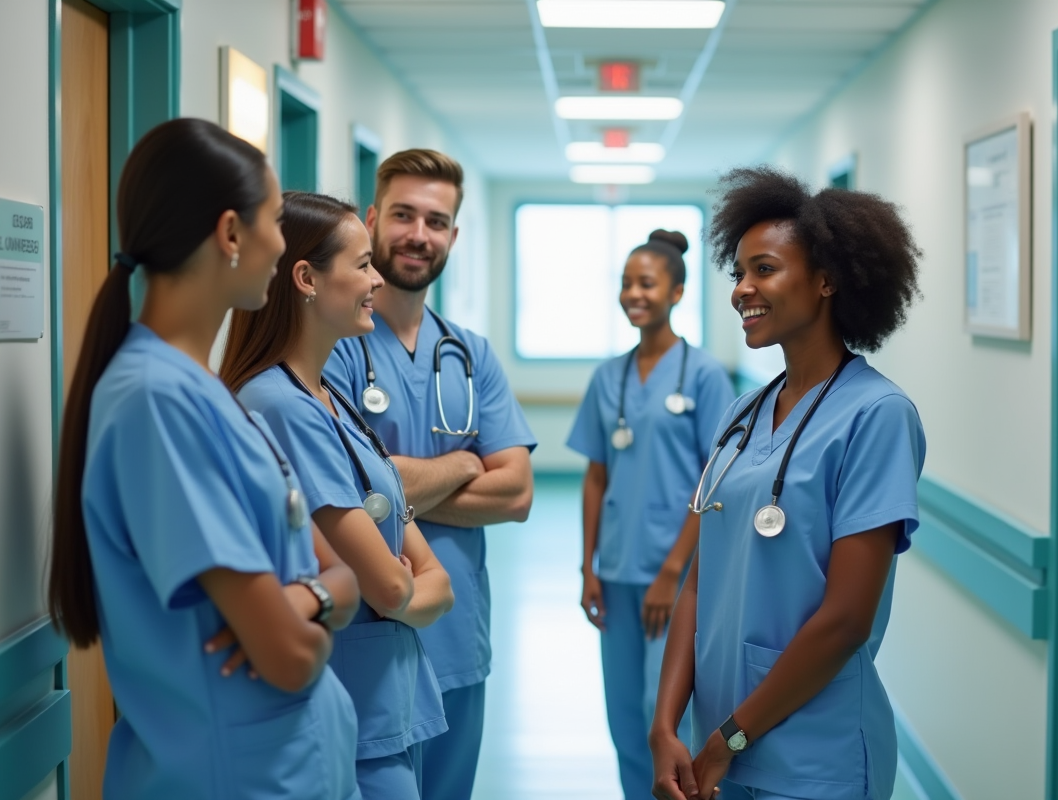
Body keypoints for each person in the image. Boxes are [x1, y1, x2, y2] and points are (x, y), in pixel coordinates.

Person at [47, 119, 362, 800]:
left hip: (285, 767)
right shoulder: (156, 403)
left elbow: (343, 578)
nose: (282, 243)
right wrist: (317, 608)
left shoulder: (209, 394)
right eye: (275, 220)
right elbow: (289, 654)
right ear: (229, 234)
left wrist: (307, 597)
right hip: (232, 777)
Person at [649, 167, 925, 800]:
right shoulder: (741, 414)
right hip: (715, 751)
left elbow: (846, 621)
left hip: (810, 757)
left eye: (764, 270)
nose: (741, 289)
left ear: (827, 280)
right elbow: (701, 578)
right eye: (738, 273)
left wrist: (730, 740)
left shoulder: (877, 416)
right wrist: (666, 726)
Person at [222, 192, 455, 799]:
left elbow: (435, 585)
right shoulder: (280, 406)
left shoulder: (329, 398)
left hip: (384, 709)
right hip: (346, 716)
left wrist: (407, 586)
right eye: (361, 265)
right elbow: (390, 584)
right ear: (305, 278)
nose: (376, 279)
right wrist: (405, 585)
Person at [324, 148, 536, 800]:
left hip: (456, 640)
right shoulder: (329, 349)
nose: (419, 234)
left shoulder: (470, 354)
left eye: (436, 221)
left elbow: (519, 494)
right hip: (365, 644)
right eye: (404, 215)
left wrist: (388, 489)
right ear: (371, 218)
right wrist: (466, 463)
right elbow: (338, 491)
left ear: (453, 235)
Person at [567, 230, 734, 799]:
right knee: (621, 713)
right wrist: (587, 565)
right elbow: (595, 475)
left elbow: (713, 482)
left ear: (677, 291)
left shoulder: (705, 376)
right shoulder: (606, 376)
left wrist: (672, 573)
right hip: (615, 569)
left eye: (647, 283)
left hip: (676, 573)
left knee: (657, 711)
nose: (634, 293)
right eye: (626, 283)